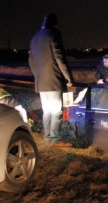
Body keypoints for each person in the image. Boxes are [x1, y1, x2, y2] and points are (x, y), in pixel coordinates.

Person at [28, 13, 74, 147]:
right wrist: (68, 77)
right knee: (56, 111)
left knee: (47, 110)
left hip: (41, 81)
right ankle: (55, 139)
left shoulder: (34, 38)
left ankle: (47, 137)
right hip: (53, 79)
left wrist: (37, 75)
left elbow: (31, 60)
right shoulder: (53, 34)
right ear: (55, 23)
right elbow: (59, 57)